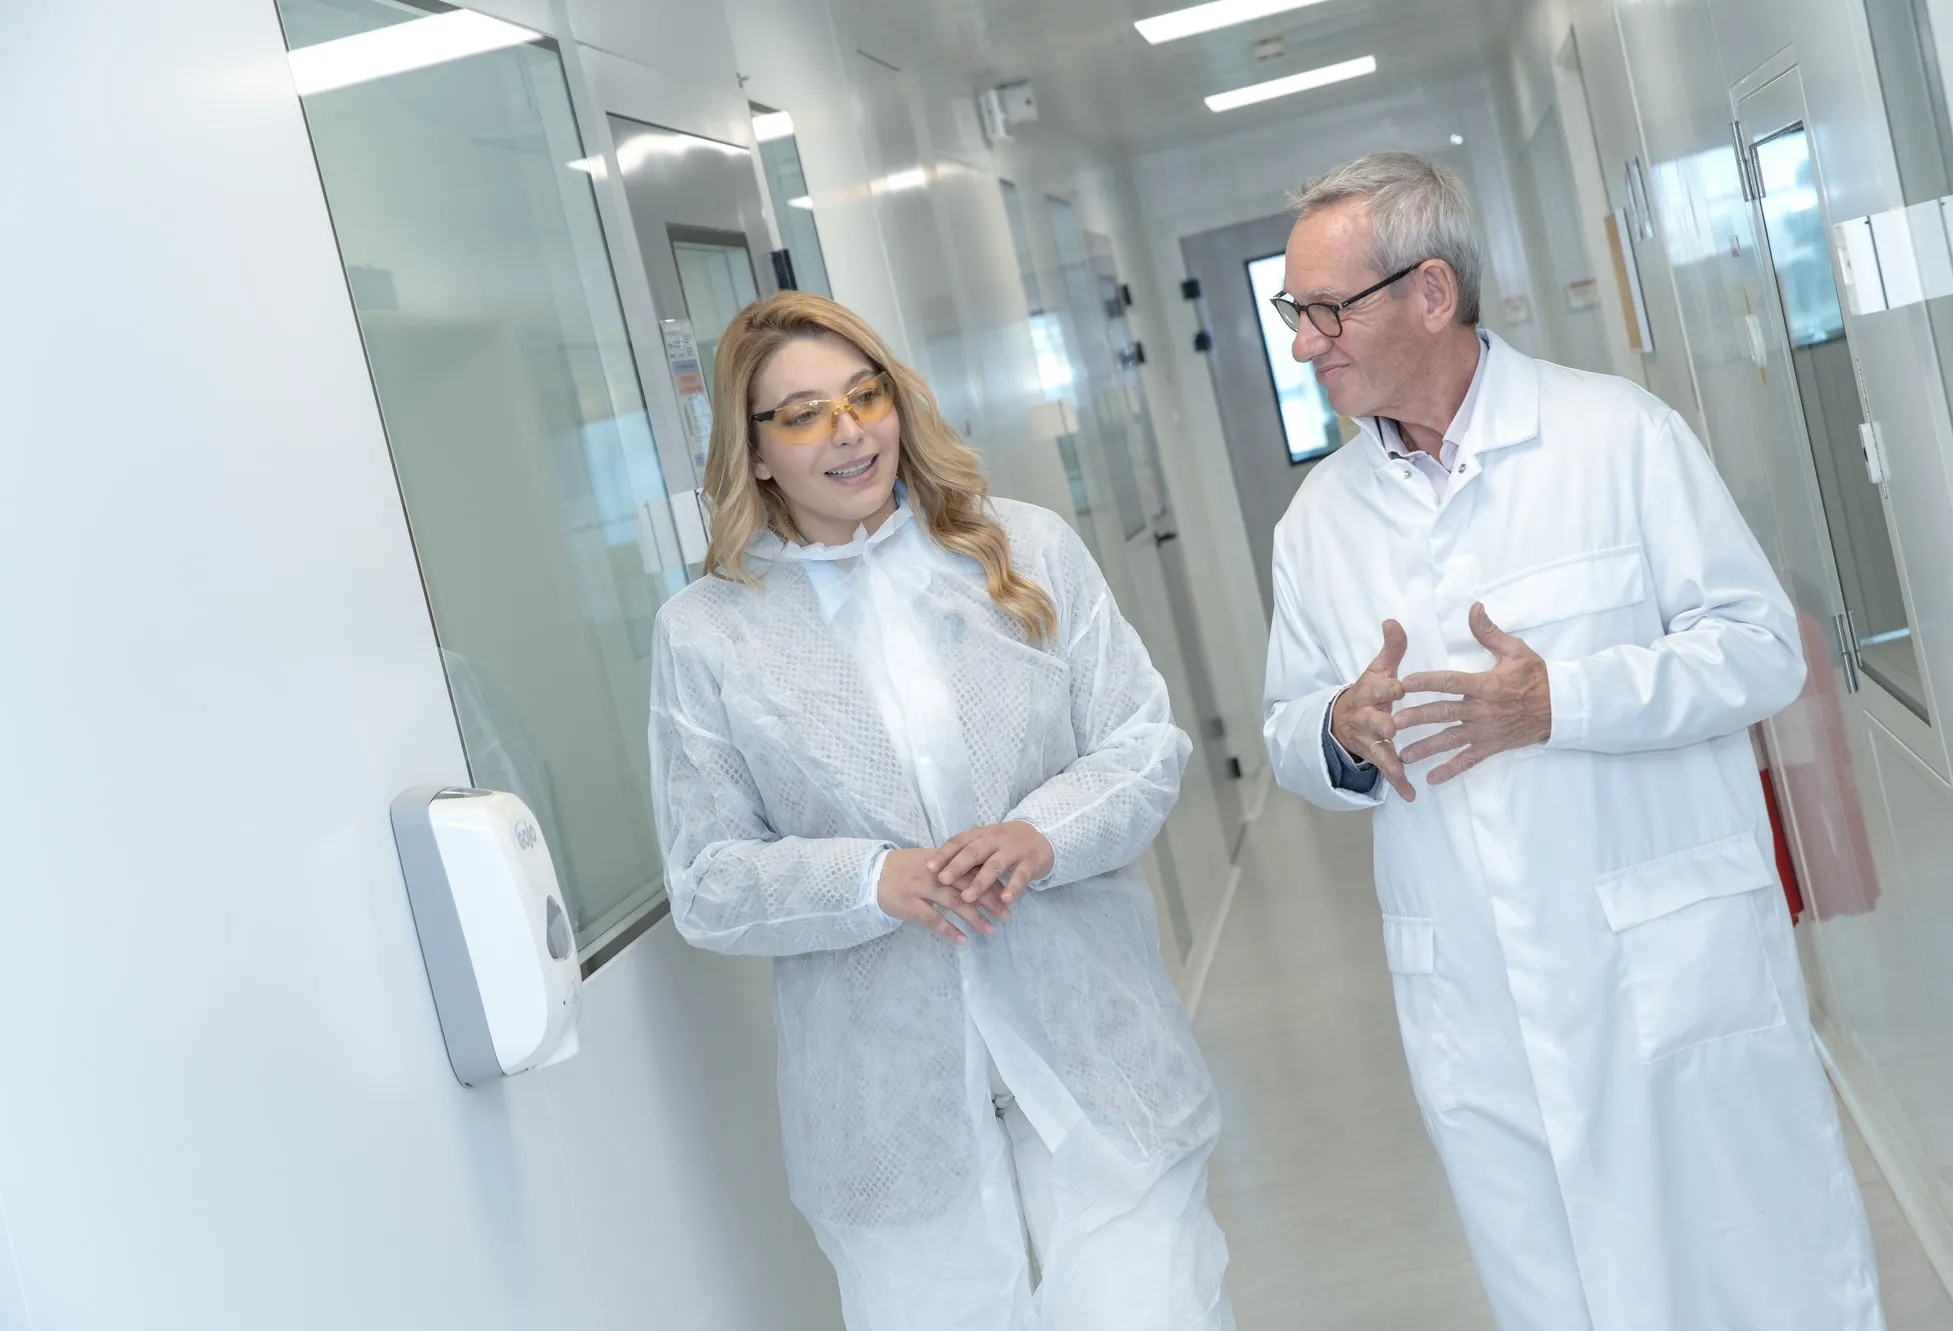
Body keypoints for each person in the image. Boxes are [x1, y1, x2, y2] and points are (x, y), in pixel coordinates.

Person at [1260, 153, 1884, 1331]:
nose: (1302, 344)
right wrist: (1336, 731)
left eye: (1327, 311)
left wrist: (1561, 701)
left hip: (1666, 965)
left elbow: (1759, 647)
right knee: (1558, 1291)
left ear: (1429, 292)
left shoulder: (1616, 436)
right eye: (1294, 311)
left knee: (1760, 1272)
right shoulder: (1316, 524)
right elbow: (1285, 730)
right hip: (1475, 1003)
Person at [648, 291, 1232, 1331]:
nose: (847, 431)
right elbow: (708, 878)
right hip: (889, 1113)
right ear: (755, 451)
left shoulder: (1024, 550)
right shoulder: (708, 632)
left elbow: (1144, 744)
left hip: (1099, 1062)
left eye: (865, 395)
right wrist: (872, 879)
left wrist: (1041, 834)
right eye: (804, 413)